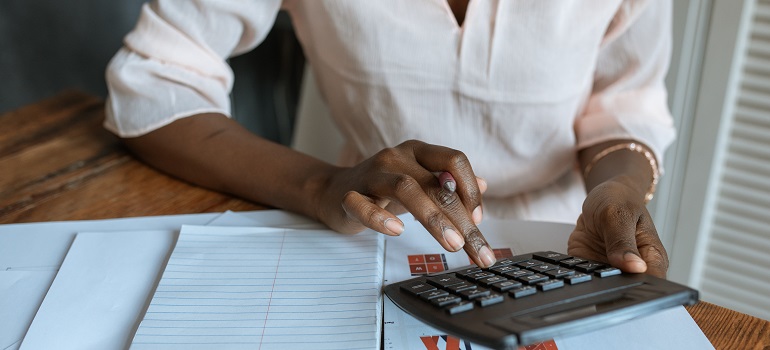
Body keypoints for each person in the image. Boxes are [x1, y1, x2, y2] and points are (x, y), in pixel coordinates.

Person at [105, 0, 674, 276]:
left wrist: (619, 187)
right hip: (370, 230)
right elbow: (155, 81)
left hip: (568, 248)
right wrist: (321, 185)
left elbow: (624, 104)